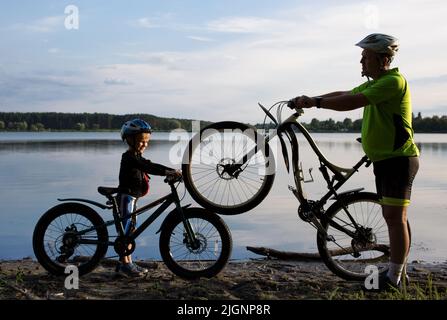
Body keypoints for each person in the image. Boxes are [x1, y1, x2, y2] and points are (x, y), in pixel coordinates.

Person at [290, 33, 419, 290]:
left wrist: (316, 103)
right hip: (385, 160)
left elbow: (352, 101)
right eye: (361, 56)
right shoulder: (378, 81)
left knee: (395, 218)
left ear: (382, 60)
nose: (361, 61)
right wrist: (312, 99)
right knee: (392, 216)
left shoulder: (392, 81)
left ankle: (394, 279)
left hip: (399, 160)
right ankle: (396, 274)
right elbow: (346, 92)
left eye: (366, 56)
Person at [117, 118, 182, 277]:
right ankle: (125, 265)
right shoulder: (130, 157)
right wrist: (169, 172)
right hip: (126, 198)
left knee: (130, 231)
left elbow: (151, 164)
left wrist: (172, 170)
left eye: (146, 142)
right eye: (140, 141)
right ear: (129, 140)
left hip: (133, 198)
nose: (144, 145)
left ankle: (126, 263)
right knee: (126, 233)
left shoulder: (137, 157)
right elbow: (149, 167)